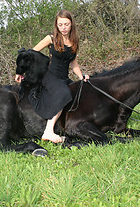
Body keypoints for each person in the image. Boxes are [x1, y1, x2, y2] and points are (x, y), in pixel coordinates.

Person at [15, 10, 89, 143]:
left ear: (71, 24)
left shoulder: (74, 41)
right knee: (63, 93)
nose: (63, 28)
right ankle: (48, 131)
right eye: (60, 25)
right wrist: (20, 71)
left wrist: (81, 77)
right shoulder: (51, 38)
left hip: (64, 77)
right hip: (50, 76)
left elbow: (74, 64)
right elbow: (30, 53)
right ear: (56, 25)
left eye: (66, 24)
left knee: (79, 92)